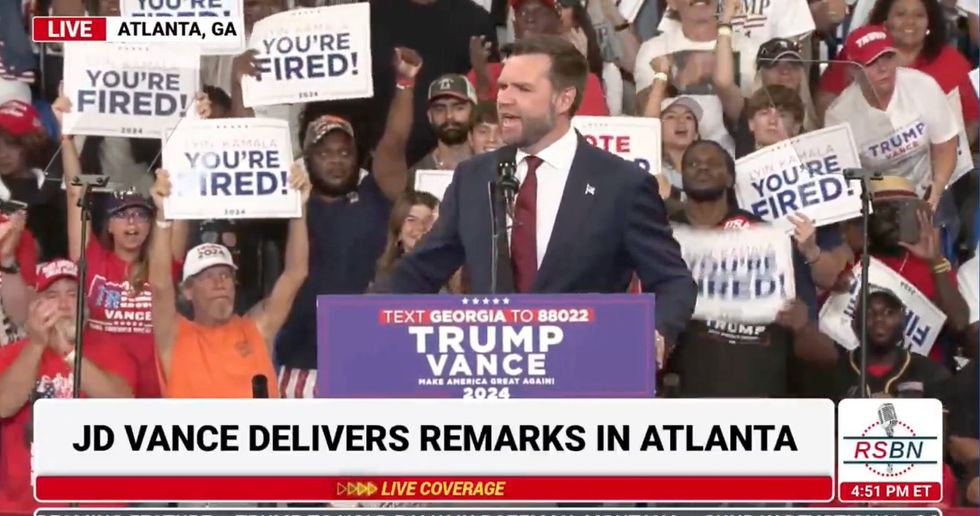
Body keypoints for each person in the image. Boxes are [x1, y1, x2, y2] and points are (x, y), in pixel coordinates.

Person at [390, 35, 696, 352]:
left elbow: (674, 282)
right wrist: (357, 321)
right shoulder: (474, 178)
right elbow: (420, 270)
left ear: (563, 100)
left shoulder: (621, 184)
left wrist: (656, 334)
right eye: (504, 86)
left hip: (585, 376)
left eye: (522, 89)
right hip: (493, 377)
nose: (504, 99)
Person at [665, 140, 837, 397]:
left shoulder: (768, 239)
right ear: (681, 176)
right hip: (688, 401)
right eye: (693, 163)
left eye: (713, 163)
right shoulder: (662, 236)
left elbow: (826, 356)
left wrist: (801, 327)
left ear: (731, 179)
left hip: (761, 402)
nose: (702, 168)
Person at [147, 163, 311, 398]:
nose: (219, 282)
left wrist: (299, 207)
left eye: (225, 274)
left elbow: (296, 273)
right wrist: (163, 216)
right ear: (188, 290)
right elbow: (160, 286)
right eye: (208, 276)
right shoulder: (174, 336)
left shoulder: (257, 328)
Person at [0, 259, 136, 515]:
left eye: (72, 295)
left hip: (97, 505)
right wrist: (38, 345)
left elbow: (122, 403)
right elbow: (4, 405)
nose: (63, 305)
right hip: (24, 508)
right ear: (34, 304)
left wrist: (67, 352)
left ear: (84, 305)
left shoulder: (110, 351)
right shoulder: (10, 355)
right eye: (52, 295)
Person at [824, 25, 960, 212]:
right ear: (854, 70)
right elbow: (845, 178)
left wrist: (937, 188)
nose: (883, 68)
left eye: (888, 58)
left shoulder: (922, 85)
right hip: (876, 201)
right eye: (872, 62)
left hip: (929, 185)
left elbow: (946, 143)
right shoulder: (839, 116)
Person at [817, 0, 978, 145]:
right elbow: (826, 100)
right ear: (885, 21)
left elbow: (972, 120)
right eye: (901, 14)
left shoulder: (954, 62)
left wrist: (949, 156)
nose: (910, 22)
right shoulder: (856, 52)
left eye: (919, 15)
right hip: (866, 163)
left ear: (930, 23)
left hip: (938, 164)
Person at [468, 0, 610, 116]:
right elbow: (475, 134)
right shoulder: (484, 74)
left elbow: (590, 134)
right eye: (523, 12)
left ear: (557, 23)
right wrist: (483, 85)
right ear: (514, 23)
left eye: (539, 12)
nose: (529, 18)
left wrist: (573, 71)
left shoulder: (585, 81)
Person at [834, 288, 950, 398]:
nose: (879, 319)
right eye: (868, 313)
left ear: (903, 321)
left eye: (889, 313)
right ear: (855, 325)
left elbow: (945, 417)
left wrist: (898, 408)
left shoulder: (931, 373)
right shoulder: (834, 373)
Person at [370, 190, 441, 293]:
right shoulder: (388, 278)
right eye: (412, 220)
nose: (420, 227)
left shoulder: (450, 272)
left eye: (427, 221)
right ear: (398, 230)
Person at [408, 74, 478, 176]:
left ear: (474, 111)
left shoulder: (492, 169)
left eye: (458, 107)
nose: (449, 116)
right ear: (429, 116)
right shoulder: (417, 176)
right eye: (439, 109)